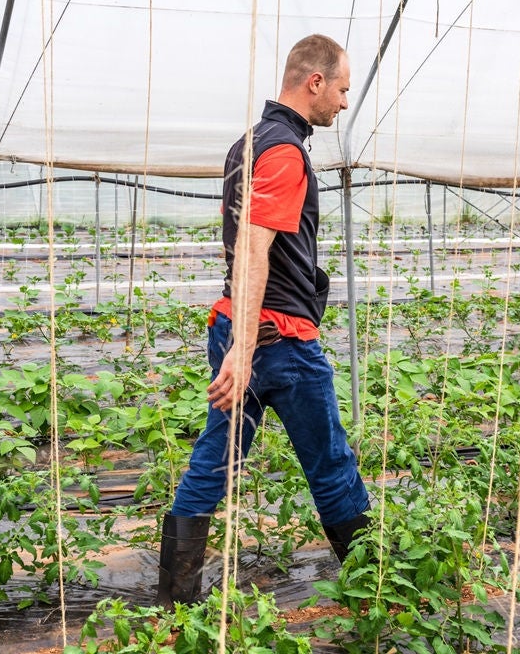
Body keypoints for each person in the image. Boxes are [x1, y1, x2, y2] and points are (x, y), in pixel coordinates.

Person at [156, 34, 371, 609]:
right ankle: (377, 585)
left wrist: (236, 343)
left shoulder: (246, 145)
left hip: (238, 327)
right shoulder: (284, 152)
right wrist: (247, 350)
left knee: (216, 456)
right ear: (315, 82)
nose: (345, 104)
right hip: (276, 340)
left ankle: (175, 599)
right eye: (343, 90)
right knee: (330, 461)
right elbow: (252, 248)